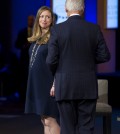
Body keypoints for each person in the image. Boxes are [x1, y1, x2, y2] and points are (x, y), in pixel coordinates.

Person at [46, 0, 111, 134]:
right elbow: (105, 56)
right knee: (86, 129)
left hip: (65, 86)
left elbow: (51, 60)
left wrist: (58, 73)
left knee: (67, 129)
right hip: (87, 87)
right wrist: (87, 59)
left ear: (65, 9)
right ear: (83, 9)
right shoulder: (94, 28)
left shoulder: (57, 30)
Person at [25, 6, 60, 134]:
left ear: (52, 20)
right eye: (41, 16)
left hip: (48, 83)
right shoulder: (37, 38)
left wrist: (55, 84)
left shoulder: (54, 38)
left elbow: (59, 63)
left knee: (50, 120)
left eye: (48, 17)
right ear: (38, 19)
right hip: (36, 83)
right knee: (44, 120)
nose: (44, 19)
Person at [15, 15, 35, 101]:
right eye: (29, 20)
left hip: (34, 59)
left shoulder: (37, 32)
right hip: (24, 59)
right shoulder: (22, 32)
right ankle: (23, 96)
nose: (31, 21)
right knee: (23, 78)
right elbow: (16, 44)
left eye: (32, 20)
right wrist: (24, 45)